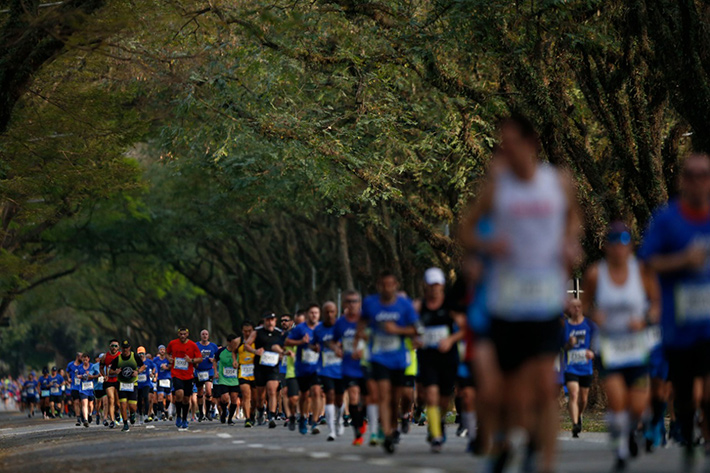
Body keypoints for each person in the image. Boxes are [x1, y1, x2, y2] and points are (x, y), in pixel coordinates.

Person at [460, 115, 582, 472]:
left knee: (546, 385)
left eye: (511, 141)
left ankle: (545, 464)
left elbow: (574, 219)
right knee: (506, 393)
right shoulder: (497, 188)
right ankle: (504, 443)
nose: (505, 149)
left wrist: (570, 242)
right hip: (506, 302)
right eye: (502, 143)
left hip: (544, 299)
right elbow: (466, 231)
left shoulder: (558, 182)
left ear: (532, 144)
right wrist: (487, 243)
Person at [639, 152, 710, 470]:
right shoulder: (667, 219)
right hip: (678, 325)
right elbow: (648, 262)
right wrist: (683, 260)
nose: (697, 180)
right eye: (691, 174)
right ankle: (685, 427)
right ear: (682, 180)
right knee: (684, 396)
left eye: (704, 174)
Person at [582, 222, 660, 471]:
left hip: (637, 348)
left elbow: (657, 305)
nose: (618, 249)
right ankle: (622, 450)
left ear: (631, 247)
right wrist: (594, 314)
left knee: (638, 407)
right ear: (606, 247)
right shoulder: (595, 273)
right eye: (613, 243)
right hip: (609, 348)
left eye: (623, 243)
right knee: (617, 401)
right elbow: (583, 305)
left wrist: (645, 319)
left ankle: (633, 430)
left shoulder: (642, 272)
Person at [357, 271, 420, 454]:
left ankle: (393, 427)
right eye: (384, 284)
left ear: (396, 285)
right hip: (378, 356)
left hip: (399, 358)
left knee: (394, 398)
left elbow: (416, 330)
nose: (387, 288)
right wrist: (360, 337)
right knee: (383, 395)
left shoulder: (404, 305)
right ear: (379, 285)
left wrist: (397, 330)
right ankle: (386, 432)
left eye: (390, 284)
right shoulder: (370, 303)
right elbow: (362, 323)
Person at [414, 267, 464, 452]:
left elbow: (465, 327)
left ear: (442, 286)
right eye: (431, 285)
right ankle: (436, 436)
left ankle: (439, 422)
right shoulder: (419, 306)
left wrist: (450, 339)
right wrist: (414, 339)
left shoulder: (450, 306)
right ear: (425, 286)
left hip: (448, 357)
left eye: (438, 285)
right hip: (427, 357)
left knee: (444, 399)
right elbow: (410, 327)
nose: (434, 289)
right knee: (431, 395)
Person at [332, 290, 368, 445]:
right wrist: (337, 349)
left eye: (355, 301)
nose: (352, 304)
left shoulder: (366, 320)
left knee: (367, 399)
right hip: (349, 366)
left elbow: (375, 338)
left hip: (366, 364)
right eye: (349, 301)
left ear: (359, 303)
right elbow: (333, 341)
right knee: (353, 397)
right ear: (345, 304)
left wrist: (364, 349)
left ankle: (363, 419)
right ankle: (357, 432)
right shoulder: (340, 322)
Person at [287, 303, 323, 435]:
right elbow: (287, 342)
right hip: (302, 368)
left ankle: (314, 422)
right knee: (304, 396)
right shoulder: (300, 329)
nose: (314, 315)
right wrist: (301, 342)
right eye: (312, 312)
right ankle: (302, 417)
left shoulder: (321, 327)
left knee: (316, 391)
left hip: (317, 367)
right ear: (308, 314)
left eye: (316, 313)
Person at [563, 298, 596, 438]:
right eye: (573, 306)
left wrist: (592, 352)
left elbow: (598, 342)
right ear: (569, 309)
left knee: (583, 399)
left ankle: (579, 414)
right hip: (570, 366)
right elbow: (561, 347)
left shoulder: (589, 325)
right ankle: (575, 424)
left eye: (579, 306)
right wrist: (569, 345)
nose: (576, 309)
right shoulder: (565, 326)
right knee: (574, 394)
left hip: (585, 367)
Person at [246, 311, 286, 429]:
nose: (270, 322)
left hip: (273, 366)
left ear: (275, 321)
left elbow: (284, 346)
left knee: (272, 391)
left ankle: (272, 416)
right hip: (260, 367)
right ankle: (260, 410)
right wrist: (255, 351)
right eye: (268, 320)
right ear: (264, 321)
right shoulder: (257, 332)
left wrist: (282, 354)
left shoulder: (279, 333)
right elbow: (247, 345)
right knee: (260, 396)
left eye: (272, 320)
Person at [313, 301, 345, 441]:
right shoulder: (318, 329)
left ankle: (339, 420)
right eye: (326, 312)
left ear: (336, 312)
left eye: (332, 312)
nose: (329, 315)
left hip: (341, 368)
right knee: (329, 394)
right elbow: (312, 343)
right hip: (325, 368)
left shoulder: (342, 326)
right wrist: (314, 347)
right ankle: (331, 429)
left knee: (339, 398)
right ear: (323, 313)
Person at [166, 328, 202, 430]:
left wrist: (190, 360)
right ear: (178, 334)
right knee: (179, 394)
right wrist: (169, 358)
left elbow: (200, 358)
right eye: (180, 334)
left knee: (186, 399)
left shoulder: (192, 345)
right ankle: (178, 416)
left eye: (184, 334)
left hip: (189, 375)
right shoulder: (172, 343)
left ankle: (185, 418)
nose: (182, 336)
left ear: (187, 334)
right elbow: (167, 353)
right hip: (176, 373)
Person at [109, 339, 146, 432]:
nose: (125, 350)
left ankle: (132, 414)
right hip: (122, 384)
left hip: (133, 384)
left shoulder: (135, 356)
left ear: (129, 348)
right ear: (121, 348)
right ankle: (125, 424)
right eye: (124, 348)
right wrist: (115, 371)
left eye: (127, 348)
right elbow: (110, 371)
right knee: (123, 404)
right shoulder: (118, 359)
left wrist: (137, 372)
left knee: (133, 406)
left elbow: (143, 366)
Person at [214, 334, 240, 423]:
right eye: (233, 343)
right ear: (229, 342)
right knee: (224, 398)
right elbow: (214, 360)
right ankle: (224, 412)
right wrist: (215, 372)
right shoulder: (221, 351)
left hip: (235, 379)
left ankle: (230, 419)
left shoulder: (239, 352)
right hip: (223, 379)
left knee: (234, 399)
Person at [195, 329, 218, 422]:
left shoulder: (213, 346)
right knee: (200, 392)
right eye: (203, 334)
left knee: (208, 392)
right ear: (200, 336)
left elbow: (218, 357)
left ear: (208, 336)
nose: (204, 336)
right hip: (199, 371)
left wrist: (213, 360)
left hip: (209, 371)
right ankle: (201, 413)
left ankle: (208, 412)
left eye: (206, 334)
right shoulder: (196, 345)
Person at [237, 321, 256, 427]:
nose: (248, 333)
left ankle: (252, 413)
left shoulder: (256, 341)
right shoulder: (239, 341)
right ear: (242, 331)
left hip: (255, 373)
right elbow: (233, 351)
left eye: (250, 331)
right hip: (243, 372)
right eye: (245, 331)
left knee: (256, 399)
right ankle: (247, 418)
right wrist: (235, 360)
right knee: (246, 395)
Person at [102, 340, 121, 428]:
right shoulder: (105, 357)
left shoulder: (121, 356)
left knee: (118, 404)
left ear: (118, 347)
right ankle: (112, 420)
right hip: (109, 381)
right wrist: (104, 375)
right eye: (112, 346)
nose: (114, 347)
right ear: (110, 346)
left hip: (118, 380)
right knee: (111, 399)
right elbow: (101, 367)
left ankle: (116, 412)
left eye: (115, 346)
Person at [77, 353, 100, 427]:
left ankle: (90, 414)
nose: (85, 360)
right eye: (83, 359)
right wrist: (80, 376)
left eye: (86, 358)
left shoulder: (92, 366)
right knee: (84, 404)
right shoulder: (80, 367)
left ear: (89, 359)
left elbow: (97, 375)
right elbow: (77, 376)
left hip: (91, 388)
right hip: (83, 389)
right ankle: (85, 420)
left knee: (90, 405)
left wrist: (90, 375)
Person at [136, 347, 155, 424]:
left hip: (146, 383)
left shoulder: (149, 361)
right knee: (139, 399)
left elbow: (154, 368)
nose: (141, 355)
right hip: (138, 383)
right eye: (139, 353)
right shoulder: (135, 362)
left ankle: (146, 415)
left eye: (142, 353)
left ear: (145, 354)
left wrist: (152, 373)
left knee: (146, 397)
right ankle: (140, 414)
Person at [154, 344, 172, 421]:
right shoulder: (155, 359)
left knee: (168, 398)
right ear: (158, 351)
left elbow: (172, 366)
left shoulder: (168, 359)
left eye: (163, 349)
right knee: (160, 396)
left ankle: (165, 408)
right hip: (160, 379)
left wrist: (167, 368)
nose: (162, 351)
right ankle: (162, 413)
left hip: (167, 379)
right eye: (160, 349)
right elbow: (153, 366)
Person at [66, 352, 83, 426]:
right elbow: (67, 372)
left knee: (82, 403)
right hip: (74, 386)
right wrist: (69, 378)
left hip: (83, 387)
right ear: (77, 357)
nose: (82, 358)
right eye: (81, 357)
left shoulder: (83, 365)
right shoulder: (70, 364)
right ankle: (78, 418)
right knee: (76, 402)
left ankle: (84, 414)